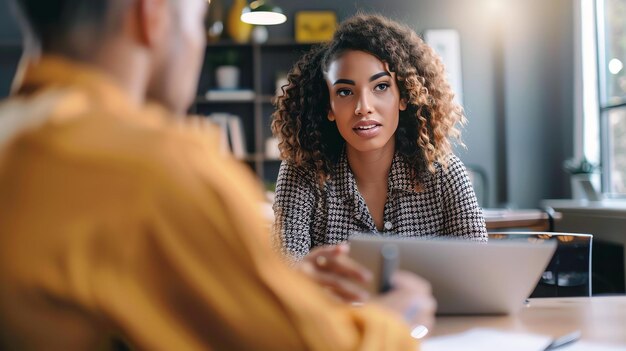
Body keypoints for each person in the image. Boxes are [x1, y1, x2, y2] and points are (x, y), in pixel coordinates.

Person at [0, 1, 436, 349]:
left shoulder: (18, 138)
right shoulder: (155, 167)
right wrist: (394, 318)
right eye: (196, 16)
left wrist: (273, 287)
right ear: (150, 14)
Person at [272, 14, 488, 261]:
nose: (363, 107)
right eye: (344, 91)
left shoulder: (445, 176)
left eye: (381, 86)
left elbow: (479, 272)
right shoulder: (302, 174)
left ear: (405, 97)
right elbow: (283, 277)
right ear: (328, 107)